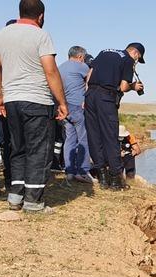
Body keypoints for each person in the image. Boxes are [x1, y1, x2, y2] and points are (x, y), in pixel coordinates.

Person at [0, 0, 67, 213]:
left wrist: (0, 96)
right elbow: (50, 71)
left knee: (18, 148)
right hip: (37, 99)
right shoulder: (41, 35)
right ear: (40, 16)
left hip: (12, 99)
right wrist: (61, 102)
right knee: (39, 150)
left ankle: (15, 197)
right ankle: (33, 201)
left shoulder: (1, 34)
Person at [84, 43, 144, 190]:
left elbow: (89, 74)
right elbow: (123, 87)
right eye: (138, 59)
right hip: (106, 98)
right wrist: (134, 86)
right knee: (110, 137)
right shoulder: (128, 60)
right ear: (135, 53)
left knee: (94, 135)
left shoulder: (104, 51)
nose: (136, 61)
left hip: (90, 95)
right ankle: (116, 181)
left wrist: (85, 97)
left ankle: (102, 177)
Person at [58, 45, 92, 183]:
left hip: (64, 107)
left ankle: (69, 171)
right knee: (83, 138)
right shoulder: (81, 66)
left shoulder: (61, 67)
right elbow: (91, 77)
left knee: (70, 139)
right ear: (80, 57)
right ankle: (83, 171)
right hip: (77, 106)